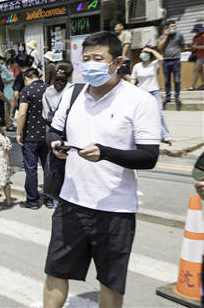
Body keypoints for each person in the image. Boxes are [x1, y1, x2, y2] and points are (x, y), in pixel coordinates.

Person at [43, 31, 160, 308]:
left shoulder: (140, 100)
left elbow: (149, 156)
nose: (90, 64)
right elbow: (52, 130)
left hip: (116, 209)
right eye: (86, 59)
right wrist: (55, 144)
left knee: (110, 281)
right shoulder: (73, 93)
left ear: (118, 62)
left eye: (98, 58)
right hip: (71, 202)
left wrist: (105, 153)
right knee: (55, 272)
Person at [16, 68, 53, 210]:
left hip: (30, 136)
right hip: (49, 135)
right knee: (48, 168)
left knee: (31, 169)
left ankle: (33, 201)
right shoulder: (50, 89)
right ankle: (50, 199)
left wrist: (19, 133)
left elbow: (21, 114)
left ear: (26, 78)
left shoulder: (26, 91)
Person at [130, 47, 171, 145]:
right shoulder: (137, 66)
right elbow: (133, 79)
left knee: (159, 113)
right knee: (140, 114)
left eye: (145, 53)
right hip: (141, 93)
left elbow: (161, 59)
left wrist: (151, 50)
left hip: (154, 92)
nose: (143, 54)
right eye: (142, 52)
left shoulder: (154, 64)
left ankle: (165, 136)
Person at [158, 20, 185, 105]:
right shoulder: (162, 37)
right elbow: (159, 47)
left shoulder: (179, 35)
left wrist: (177, 53)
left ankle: (177, 97)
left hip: (176, 61)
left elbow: (182, 46)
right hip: (166, 61)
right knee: (167, 80)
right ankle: (168, 97)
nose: (174, 28)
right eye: (172, 26)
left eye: (175, 26)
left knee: (176, 80)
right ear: (167, 28)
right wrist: (166, 36)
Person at [188, 23, 204, 91]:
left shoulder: (203, 36)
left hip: (202, 55)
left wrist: (196, 47)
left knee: (196, 70)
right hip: (196, 55)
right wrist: (190, 46)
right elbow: (192, 44)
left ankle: (192, 86)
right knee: (200, 71)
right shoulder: (195, 37)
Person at [2, 58, 15, 130]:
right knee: (7, 107)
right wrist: (12, 79)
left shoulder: (9, 70)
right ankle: (7, 123)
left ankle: (10, 122)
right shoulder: (5, 70)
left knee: (9, 108)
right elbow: (3, 81)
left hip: (10, 89)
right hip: (7, 89)